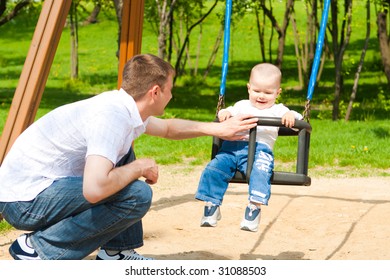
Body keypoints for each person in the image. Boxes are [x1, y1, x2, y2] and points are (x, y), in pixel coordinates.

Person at [0, 54, 258, 260]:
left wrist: (217, 129)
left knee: (124, 157)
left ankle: (117, 252)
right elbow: (94, 189)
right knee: (136, 194)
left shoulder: (124, 107)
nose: (172, 95)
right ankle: (39, 249)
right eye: (170, 89)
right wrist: (138, 168)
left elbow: (168, 129)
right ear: (155, 92)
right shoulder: (111, 119)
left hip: (32, 189)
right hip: (24, 201)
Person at [195, 63, 302, 232]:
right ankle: (212, 204)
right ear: (249, 88)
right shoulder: (241, 105)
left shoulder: (278, 110)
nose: (261, 96)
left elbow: (298, 122)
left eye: (268, 92)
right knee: (214, 168)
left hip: (260, 150)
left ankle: (254, 208)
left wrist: (291, 116)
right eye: (257, 91)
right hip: (231, 148)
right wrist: (224, 113)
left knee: (261, 170)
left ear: (278, 93)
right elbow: (227, 112)